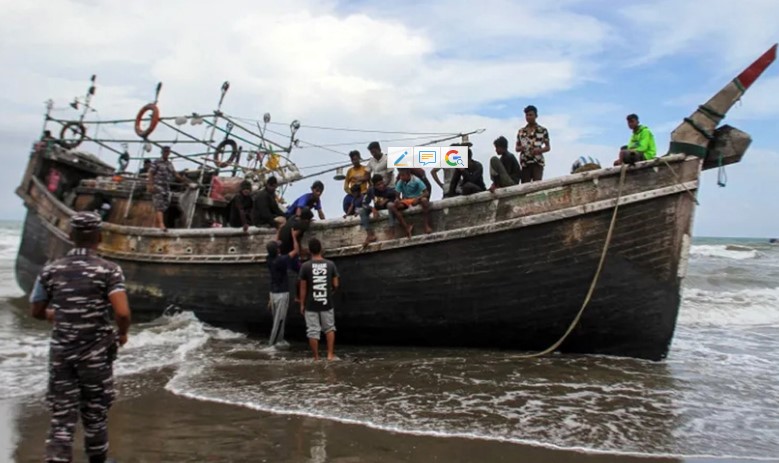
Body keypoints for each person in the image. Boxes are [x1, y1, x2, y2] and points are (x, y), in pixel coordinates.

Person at [29, 212, 131, 463]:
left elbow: (36, 311)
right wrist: (123, 333)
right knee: (95, 411)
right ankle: (98, 459)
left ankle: (57, 458)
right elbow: (122, 312)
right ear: (99, 237)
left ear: (70, 236)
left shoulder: (50, 270)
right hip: (95, 353)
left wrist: (59, 314)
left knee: (62, 414)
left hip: (62, 353)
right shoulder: (109, 270)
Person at [298, 238, 340, 361]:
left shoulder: (305, 266)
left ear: (309, 251)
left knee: (313, 331)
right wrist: (331, 292)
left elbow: (303, 288)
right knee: (329, 328)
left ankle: (316, 357)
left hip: (311, 304)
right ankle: (330, 355)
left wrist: (301, 304)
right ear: (321, 249)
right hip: (326, 302)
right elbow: (336, 284)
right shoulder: (330, 264)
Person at [266, 229, 299, 346]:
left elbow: (273, 246)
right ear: (277, 250)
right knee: (279, 320)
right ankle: (273, 344)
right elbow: (296, 251)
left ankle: (278, 341)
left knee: (277, 318)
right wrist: (294, 237)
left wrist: (279, 230)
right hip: (281, 294)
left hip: (273, 293)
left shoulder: (269, 259)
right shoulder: (281, 260)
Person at [147, 146, 193, 231]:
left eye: (168, 152)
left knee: (165, 205)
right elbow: (150, 173)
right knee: (159, 205)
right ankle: (161, 225)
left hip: (166, 187)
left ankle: (157, 224)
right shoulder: (156, 162)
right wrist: (150, 185)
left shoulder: (169, 164)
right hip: (158, 186)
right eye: (165, 151)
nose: (167, 153)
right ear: (162, 152)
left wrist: (186, 182)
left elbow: (175, 174)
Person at [389, 168, 432, 237]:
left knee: (424, 201)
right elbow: (397, 195)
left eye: (403, 175)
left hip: (417, 198)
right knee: (392, 206)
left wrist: (418, 198)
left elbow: (426, 192)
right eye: (400, 175)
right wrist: (397, 200)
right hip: (407, 200)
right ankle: (406, 227)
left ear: (408, 175)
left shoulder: (416, 180)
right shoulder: (400, 181)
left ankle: (426, 225)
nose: (401, 177)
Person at [516, 105, 551, 183]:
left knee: (537, 185)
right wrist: (521, 148)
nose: (528, 117)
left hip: (537, 162)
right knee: (525, 187)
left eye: (530, 115)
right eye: (527, 115)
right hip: (525, 163)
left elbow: (548, 147)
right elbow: (517, 148)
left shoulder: (542, 130)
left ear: (536, 116)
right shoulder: (521, 131)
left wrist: (539, 150)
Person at [360, 174, 398, 245]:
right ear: (374, 186)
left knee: (390, 205)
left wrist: (386, 200)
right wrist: (372, 208)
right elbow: (364, 203)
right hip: (377, 210)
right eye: (378, 184)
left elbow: (396, 198)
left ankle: (392, 231)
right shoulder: (371, 191)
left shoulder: (389, 191)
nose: (381, 186)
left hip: (387, 209)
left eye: (382, 183)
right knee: (362, 211)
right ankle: (370, 234)